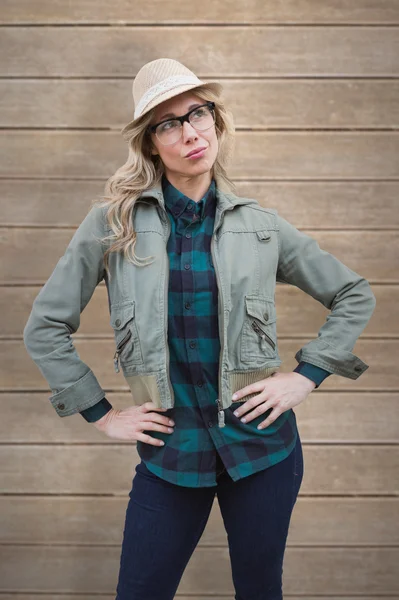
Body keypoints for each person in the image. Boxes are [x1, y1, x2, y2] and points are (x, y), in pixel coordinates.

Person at [23, 58, 376, 599]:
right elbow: (44, 325)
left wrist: (306, 376)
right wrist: (99, 413)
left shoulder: (260, 226)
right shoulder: (112, 226)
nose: (190, 132)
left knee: (260, 591)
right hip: (171, 455)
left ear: (216, 121)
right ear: (149, 144)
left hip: (264, 451)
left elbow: (353, 292)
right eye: (169, 123)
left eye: (198, 114)